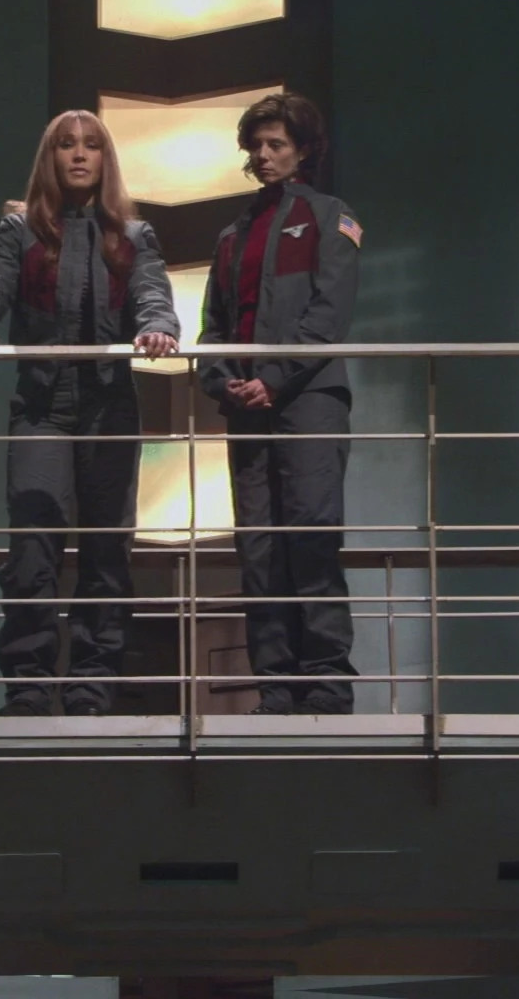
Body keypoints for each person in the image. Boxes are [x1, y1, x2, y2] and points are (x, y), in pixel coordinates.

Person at [0, 111, 179, 716]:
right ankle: (28, 689)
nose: (79, 155)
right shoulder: (20, 230)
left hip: (110, 406)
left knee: (107, 552)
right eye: (66, 145)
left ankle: (91, 690)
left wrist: (158, 325)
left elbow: (152, 292)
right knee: (32, 547)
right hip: (41, 407)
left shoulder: (133, 234)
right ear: (49, 158)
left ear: (106, 159)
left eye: (91, 145)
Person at [196, 92, 361, 715]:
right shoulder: (231, 235)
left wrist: (274, 377)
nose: (263, 156)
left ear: (303, 150)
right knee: (259, 546)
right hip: (247, 407)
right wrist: (222, 383)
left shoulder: (330, 216)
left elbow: (329, 313)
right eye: (257, 146)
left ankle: (326, 685)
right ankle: (276, 689)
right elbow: (213, 328)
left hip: (309, 399)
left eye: (277, 145)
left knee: (310, 534)